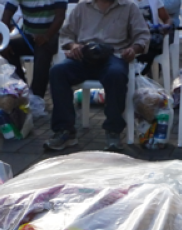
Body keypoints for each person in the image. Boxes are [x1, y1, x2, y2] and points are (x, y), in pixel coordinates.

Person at [45, 0, 151, 152]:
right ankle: (64, 131)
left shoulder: (129, 7)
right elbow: (66, 34)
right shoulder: (82, 6)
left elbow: (143, 36)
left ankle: (113, 131)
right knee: (57, 71)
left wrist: (133, 49)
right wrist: (73, 46)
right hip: (84, 55)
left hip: (113, 55)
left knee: (116, 74)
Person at [0, 0, 67, 98]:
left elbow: (60, 17)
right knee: (8, 48)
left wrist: (46, 36)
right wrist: (4, 41)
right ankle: (21, 90)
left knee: (42, 50)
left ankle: (37, 96)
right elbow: (6, 17)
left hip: (52, 35)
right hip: (29, 36)